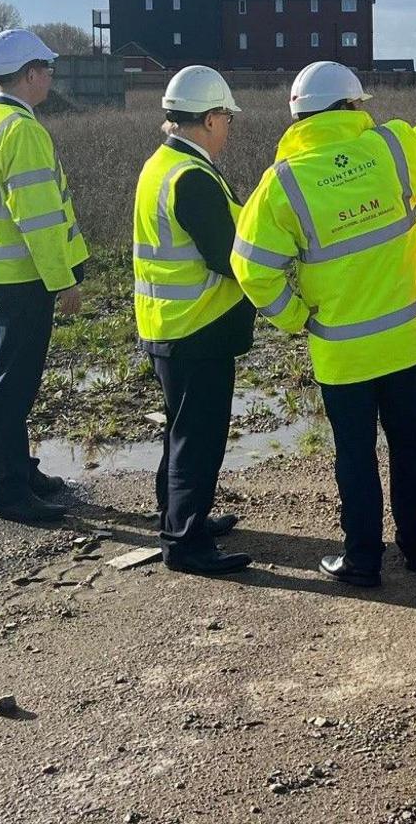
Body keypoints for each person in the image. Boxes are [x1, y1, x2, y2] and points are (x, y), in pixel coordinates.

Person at [231, 62, 416, 588]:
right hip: (404, 336)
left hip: (342, 350)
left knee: (355, 453)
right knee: (409, 442)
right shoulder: (389, 149)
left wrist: (294, 317)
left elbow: (250, 264)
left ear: (298, 116)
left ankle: (363, 560)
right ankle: (415, 549)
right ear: (351, 106)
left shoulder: (283, 183)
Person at [0, 28, 90, 525]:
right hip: (20, 280)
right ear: (30, 74)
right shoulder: (23, 132)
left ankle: (19, 469)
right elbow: (38, 220)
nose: (52, 76)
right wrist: (64, 281)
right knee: (14, 386)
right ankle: (8, 491)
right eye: (47, 69)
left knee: (3, 380)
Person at [132, 65, 254, 575]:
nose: (228, 126)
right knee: (198, 439)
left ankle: (179, 516)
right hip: (196, 328)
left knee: (182, 432)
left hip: (167, 325)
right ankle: (186, 543)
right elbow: (229, 257)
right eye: (226, 117)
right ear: (208, 119)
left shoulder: (163, 164)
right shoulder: (191, 177)